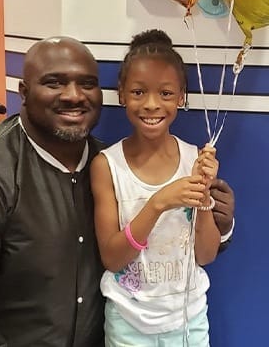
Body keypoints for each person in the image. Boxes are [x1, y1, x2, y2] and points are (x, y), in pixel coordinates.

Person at [0, 35, 235, 347]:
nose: (74, 95)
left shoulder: (107, 163)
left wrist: (220, 219)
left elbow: (174, 245)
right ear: (23, 91)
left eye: (87, 84)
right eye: (54, 82)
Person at [90, 29, 225, 346]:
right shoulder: (107, 166)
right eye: (138, 92)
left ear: (181, 97)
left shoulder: (194, 158)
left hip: (188, 322)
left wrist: (203, 196)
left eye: (165, 94)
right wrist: (157, 203)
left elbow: (205, 255)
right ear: (122, 94)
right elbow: (112, 258)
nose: (151, 104)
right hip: (129, 326)